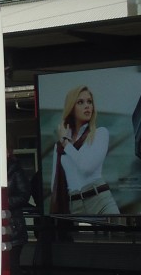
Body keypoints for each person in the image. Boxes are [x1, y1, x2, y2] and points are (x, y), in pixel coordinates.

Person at [50, 85, 119, 216]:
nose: (87, 106)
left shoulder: (100, 133)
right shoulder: (59, 146)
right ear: (71, 107)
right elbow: (55, 183)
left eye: (89, 102)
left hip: (99, 199)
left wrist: (66, 144)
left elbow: (86, 166)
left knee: (118, 235)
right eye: (80, 102)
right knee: (79, 237)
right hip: (73, 205)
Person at [5, 152, 33, 275]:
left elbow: (24, 195)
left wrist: (3, 201)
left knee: (13, 270)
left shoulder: (15, 170)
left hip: (13, 228)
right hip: (0, 227)